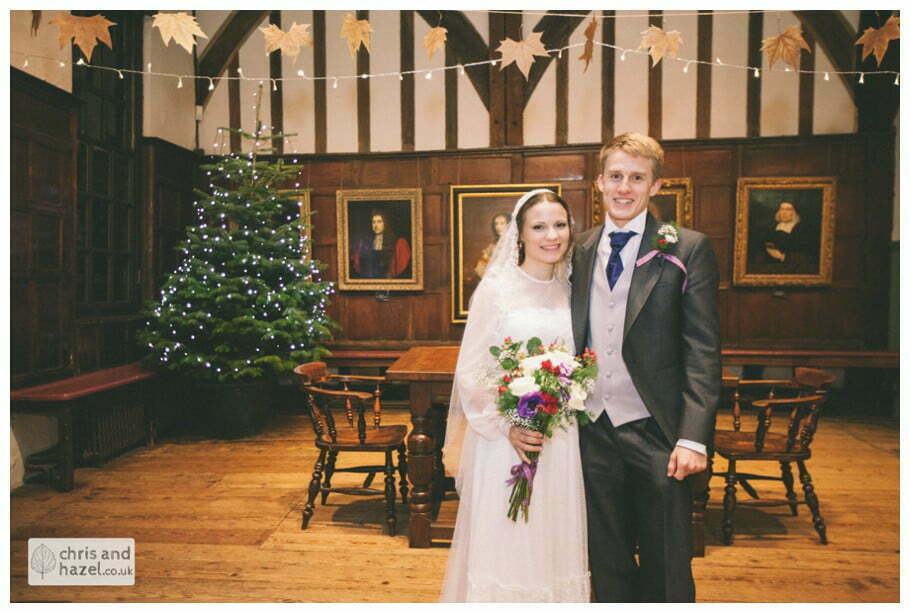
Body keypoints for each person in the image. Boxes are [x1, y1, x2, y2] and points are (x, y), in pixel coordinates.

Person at [570, 133, 721, 602]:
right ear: (599, 182)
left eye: (637, 178)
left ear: (655, 186)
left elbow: (703, 349)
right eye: (615, 176)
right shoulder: (579, 248)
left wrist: (693, 436)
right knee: (605, 555)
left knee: (666, 555)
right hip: (592, 427)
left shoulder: (686, 248)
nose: (624, 187)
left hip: (658, 430)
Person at [440, 189, 590, 602]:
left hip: (559, 438)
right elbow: (470, 372)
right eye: (539, 226)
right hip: (508, 441)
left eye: (559, 225)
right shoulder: (497, 292)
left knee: (552, 536)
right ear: (520, 234)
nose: (551, 235)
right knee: (511, 538)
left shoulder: (572, 290)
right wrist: (508, 425)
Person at [755, 201, 814, 274]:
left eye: (788, 209)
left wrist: (782, 257)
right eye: (782, 209)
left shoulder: (802, 229)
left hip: (792, 270)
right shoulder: (771, 227)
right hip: (770, 268)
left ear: (795, 213)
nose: (784, 212)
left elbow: (806, 257)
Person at [350, 210, 411, 278]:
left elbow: (400, 267)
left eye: (379, 222)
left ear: (385, 223)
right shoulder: (364, 243)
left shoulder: (398, 243)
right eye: (373, 222)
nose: (376, 225)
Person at [473, 212, 511, 279]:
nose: (498, 227)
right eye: (496, 224)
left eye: (502, 223)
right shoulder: (492, 246)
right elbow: (480, 267)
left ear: (509, 225)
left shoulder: (517, 245)